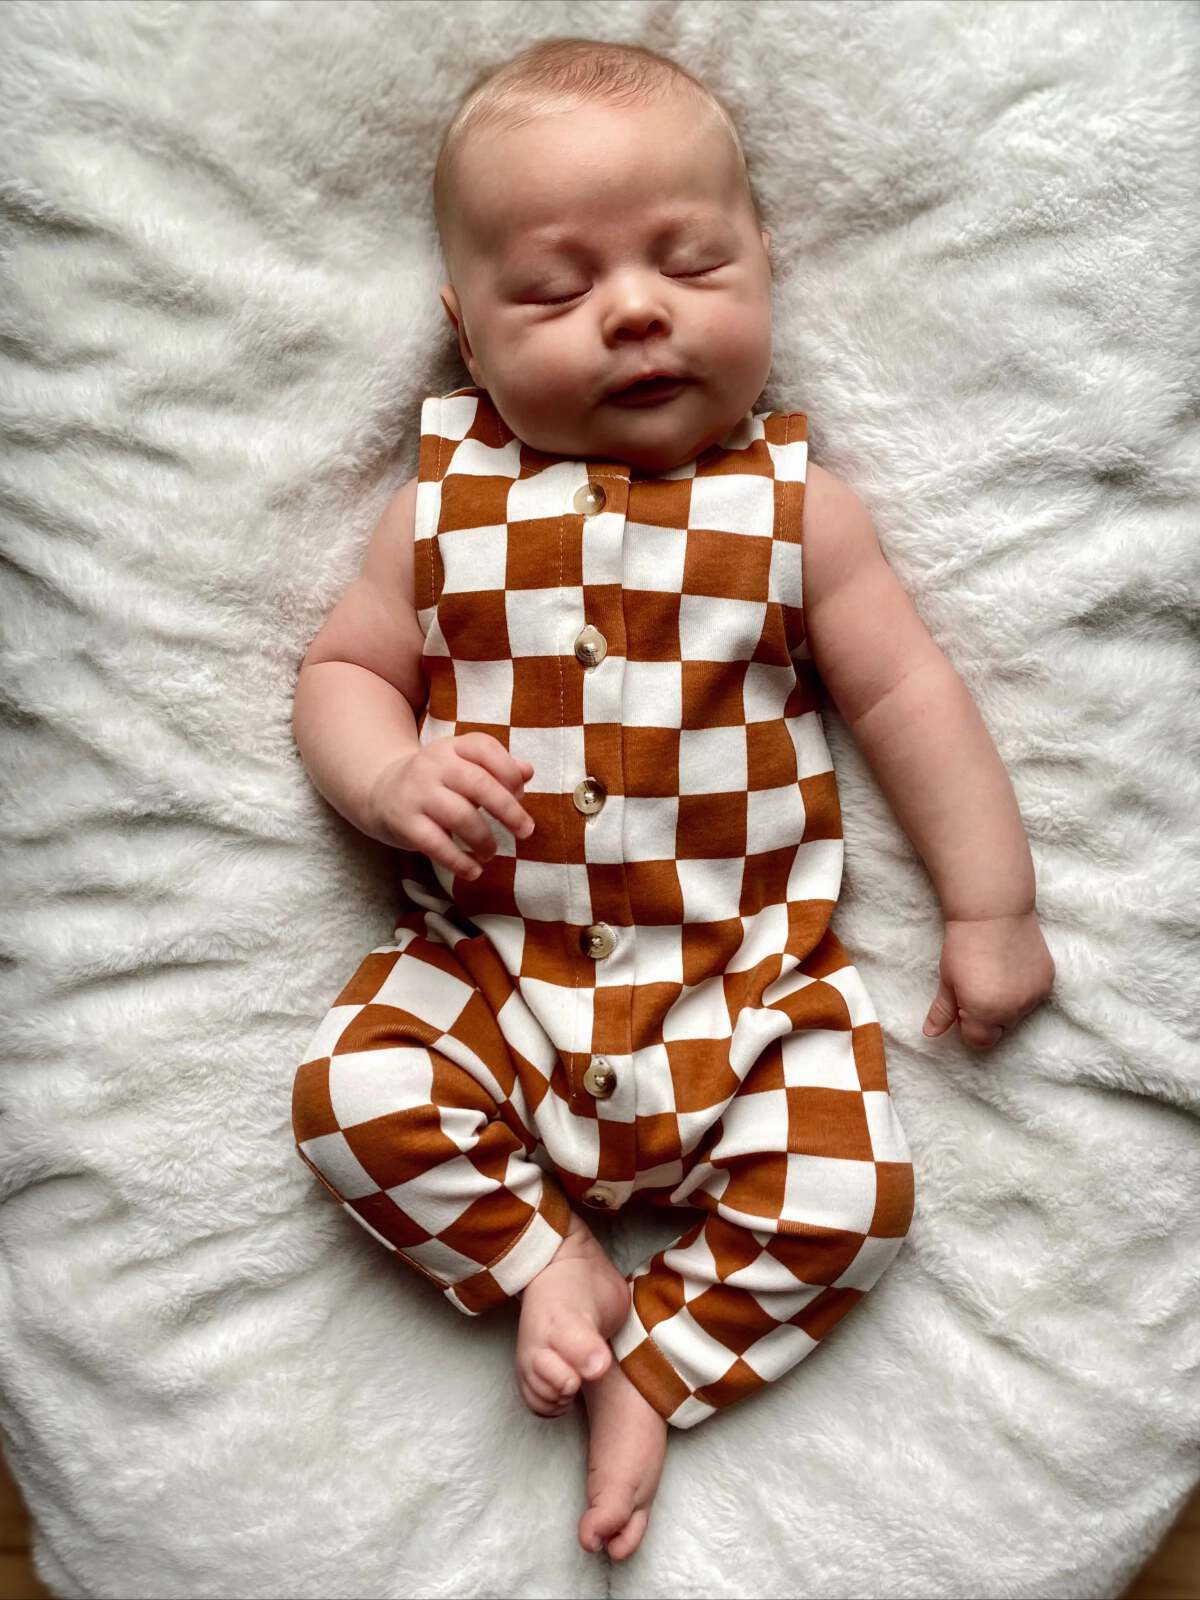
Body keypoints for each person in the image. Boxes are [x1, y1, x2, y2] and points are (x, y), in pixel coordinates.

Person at [290, 36, 1056, 1563]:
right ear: (466, 335)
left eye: (692, 263)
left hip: (747, 988)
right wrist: (387, 772)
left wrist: (993, 906)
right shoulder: (439, 511)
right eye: (554, 291)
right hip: (496, 982)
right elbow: (344, 670)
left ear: (765, 267)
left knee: (852, 1197)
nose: (635, 310)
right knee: (347, 1098)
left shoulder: (795, 513)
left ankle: (660, 1365)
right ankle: (542, 1260)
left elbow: (909, 701)